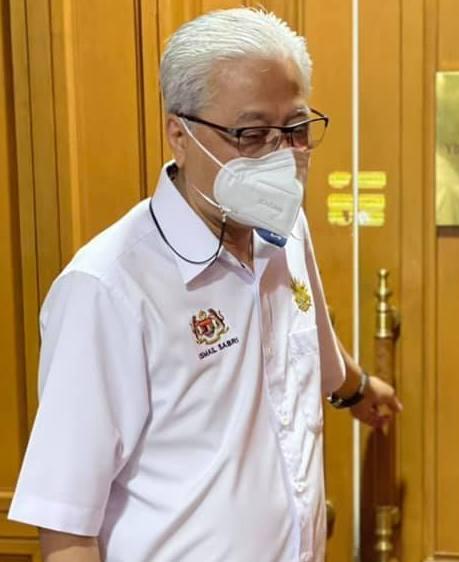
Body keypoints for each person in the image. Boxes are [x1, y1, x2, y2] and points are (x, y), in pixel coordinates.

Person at [9, 8, 401, 562]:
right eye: (252, 134)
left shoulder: (286, 229)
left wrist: (358, 390)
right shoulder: (106, 289)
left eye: (295, 130)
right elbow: (66, 526)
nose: (282, 158)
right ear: (180, 135)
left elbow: (308, 339)